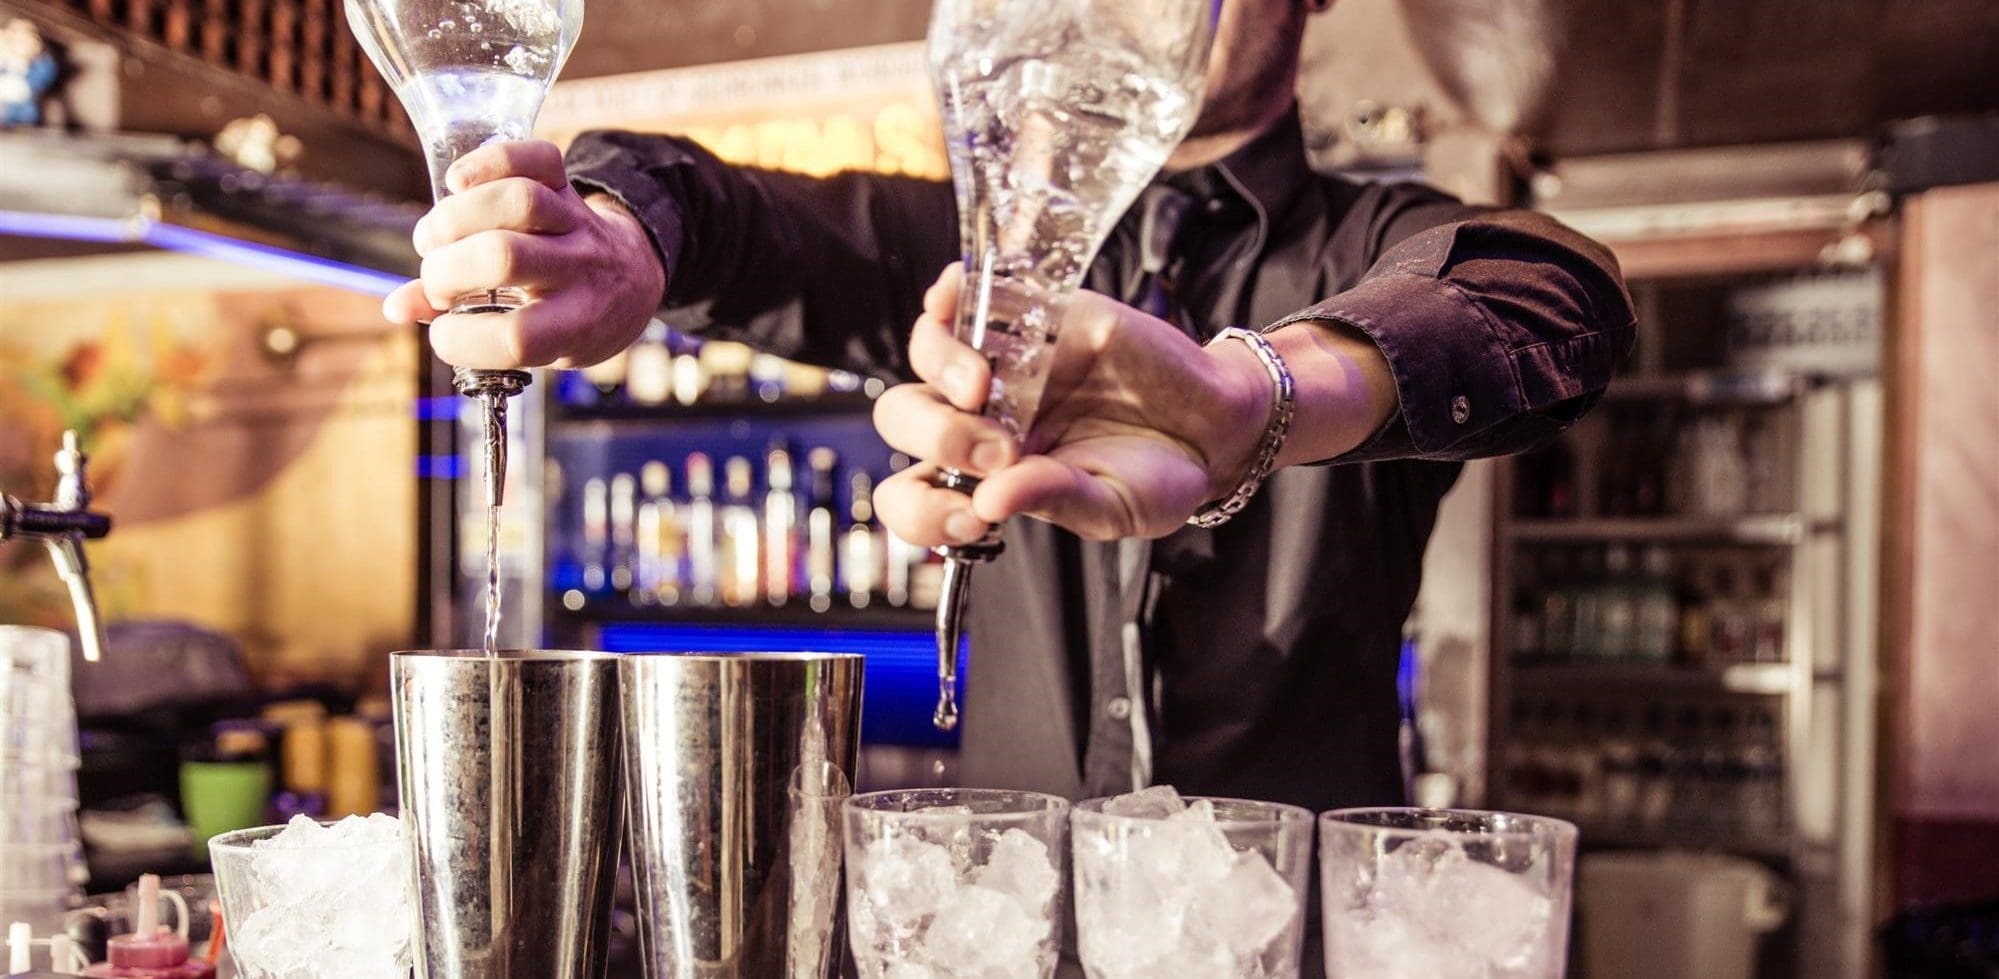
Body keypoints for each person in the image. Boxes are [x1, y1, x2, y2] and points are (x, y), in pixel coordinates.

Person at [388, 0, 1630, 918]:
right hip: (997, 932)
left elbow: (1552, 295)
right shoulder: (972, 252)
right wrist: (620, 235)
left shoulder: (1373, 240)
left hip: (1293, 938)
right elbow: (721, 214)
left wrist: (1261, 392)